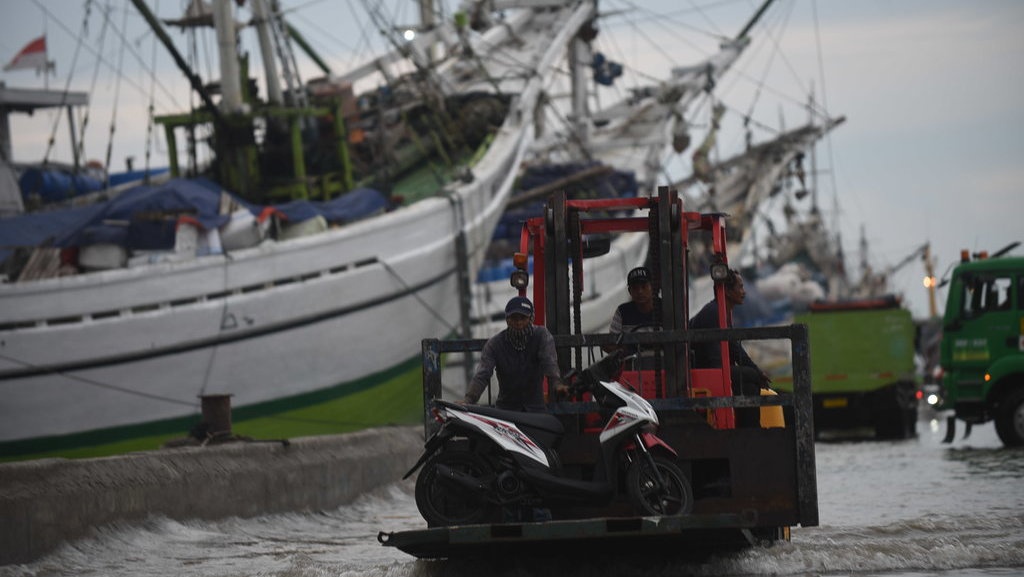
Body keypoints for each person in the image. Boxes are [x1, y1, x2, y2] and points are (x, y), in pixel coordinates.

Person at [689, 268, 771, 428]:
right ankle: (752, 428)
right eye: (740, 287)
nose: (744, 292)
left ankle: (750, 428)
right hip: (704, 370)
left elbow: (734, 347)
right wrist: (752, 373)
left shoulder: (723, 311)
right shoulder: (714, 313)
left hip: (714, 368)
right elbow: (715, 358)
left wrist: (757, 371)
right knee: (750, 376)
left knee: (750, 384)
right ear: (726, 291)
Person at [463, 296, 568, 411]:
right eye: (514, 318)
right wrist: (468, 400)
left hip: (535, 409)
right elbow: (482, 375)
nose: (518, 322)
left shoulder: (542, 336)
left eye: (523, 318)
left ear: (531, 318)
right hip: (506, 410)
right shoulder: (494, 344)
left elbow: (550, 365)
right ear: (507, 320)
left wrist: (557, 385)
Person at [605, 266, 662, 366]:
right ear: (630, 291)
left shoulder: (666, 308)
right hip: (631, 366)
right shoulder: (622, 311)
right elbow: (611, 342)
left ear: (652, 287)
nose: (640, 291)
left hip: (665, 364)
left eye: (644, 286)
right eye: (635, 288)